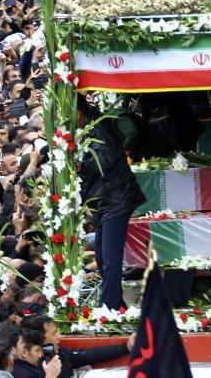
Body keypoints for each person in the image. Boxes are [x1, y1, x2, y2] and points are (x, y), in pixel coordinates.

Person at [75, 95, 146, 309]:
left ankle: (110, 306)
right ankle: (115, 302)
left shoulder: (99, 128)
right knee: (103, 257)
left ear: (77, 113)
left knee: (111, 259)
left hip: (116, 199)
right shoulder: (85, 128)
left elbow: (106, 158)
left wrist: (83, 167)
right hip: (103, 201)